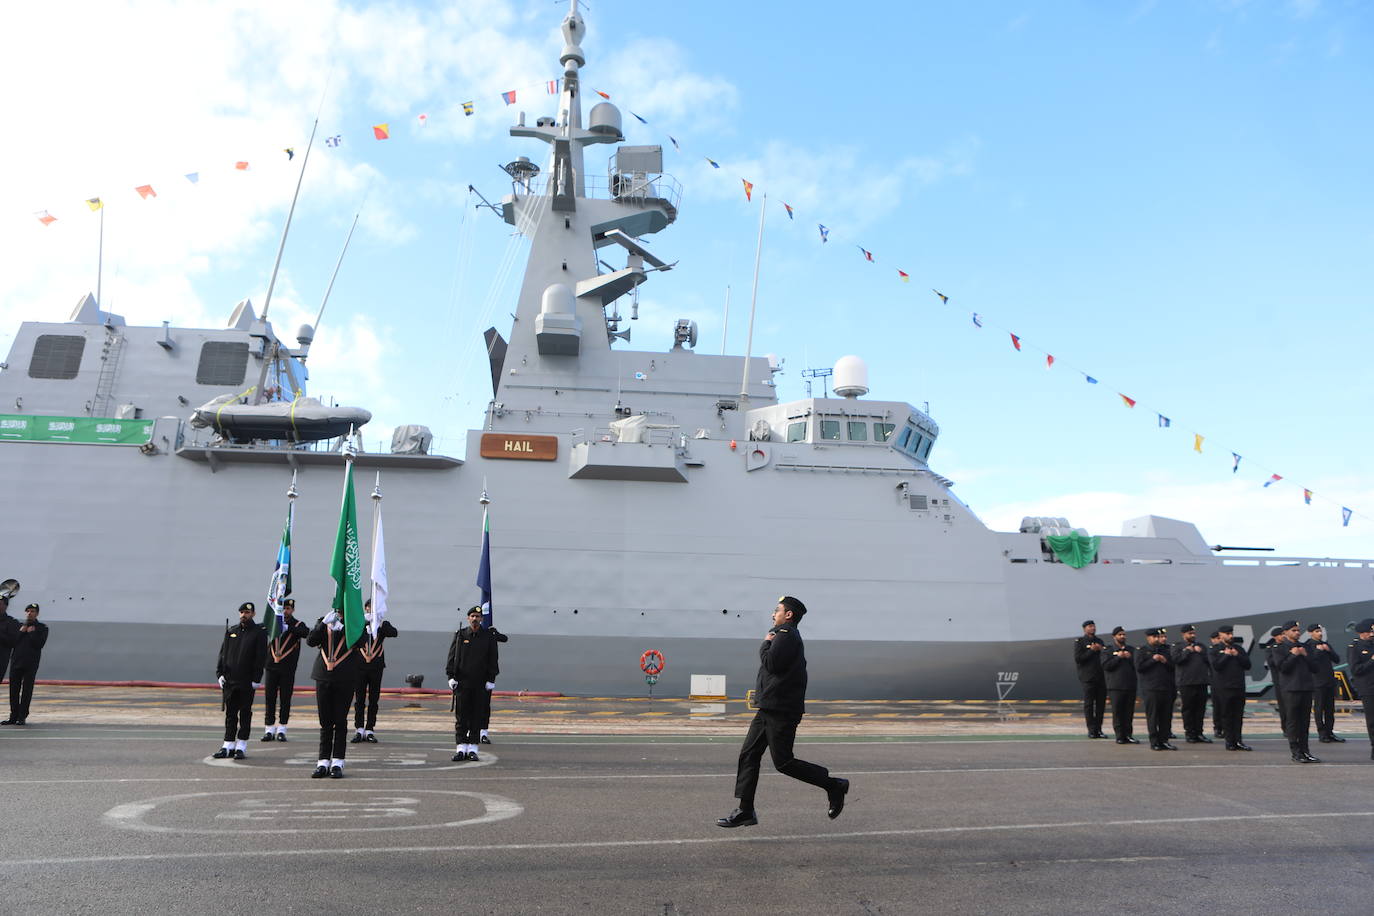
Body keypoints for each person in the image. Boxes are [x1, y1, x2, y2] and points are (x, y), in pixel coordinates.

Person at [717, 596, 849, 828]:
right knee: (748, 755)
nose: (772, 614)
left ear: (788, 615)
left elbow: (772, 664)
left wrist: (765, 643)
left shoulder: (786, 635)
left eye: (777, 610)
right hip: (769, 708)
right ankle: (745, 810)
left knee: (784, 762)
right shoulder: (783, 635)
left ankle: (833, 785)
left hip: (781, 711)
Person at [307, 609, 364, 778]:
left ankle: (337, 762)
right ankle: (323, 762)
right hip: (323, 676)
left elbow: (362, 642)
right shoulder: (323, 621)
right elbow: (311, 641)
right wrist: (324, 624)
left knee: (339, 721)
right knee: (325, 721)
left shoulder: (353, 624)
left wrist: (347, 628)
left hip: (345, 677)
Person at [213, 602, 267, 760]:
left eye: (247, 612)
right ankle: (228, 745)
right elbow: (223, 654)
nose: (244, 615)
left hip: (247, 680)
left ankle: (241, 745)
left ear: (253, 614)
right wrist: (220, 673)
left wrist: (257, 678)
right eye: (242, 612)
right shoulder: (232, 631)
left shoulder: (259, 632)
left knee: (244, 713)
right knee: (230, 714)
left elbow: (260, 656)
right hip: (230, 680)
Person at [446, 606, 499, 761]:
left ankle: (473, 749)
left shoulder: (488, 637)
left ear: (481, 619)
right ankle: (461, 748)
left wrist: (491, 679)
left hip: (480, 683)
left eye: (477, 616)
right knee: (461, 717)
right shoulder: (461, 635)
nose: (475, 618)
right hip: (462, 682)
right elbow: (452, 657)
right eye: (472, 616)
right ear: (468, 618)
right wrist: (450, 676)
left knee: (476, 717)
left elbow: (492, 659)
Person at [261, 598, 311, 742]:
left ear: (292, 610)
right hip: (271, 666)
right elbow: (260, 629)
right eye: (283, 608)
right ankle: (269, 728)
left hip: (287, 669)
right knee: (270, 698)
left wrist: (289, 628)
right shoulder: (272, 623)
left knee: (285, 698)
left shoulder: (297, 624)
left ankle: (282, 728)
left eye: (288, 609)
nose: (285, 611)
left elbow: (306, 633)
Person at [351, 599, 399, 744]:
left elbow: (394, 633)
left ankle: (370, 729)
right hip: (359, 666)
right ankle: (359, 729)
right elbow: (352, 640)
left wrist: (378, 624)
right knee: (359, 699)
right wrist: (364, 624)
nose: (372, 610)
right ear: (365, 608)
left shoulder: (382, 624)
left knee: (373, 700)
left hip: (376, 667)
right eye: (370, 607)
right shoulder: (359, 623)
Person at [1271, 620, 1319, 763]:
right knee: (1293, 721)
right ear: (1285, 633)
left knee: (1304, 722)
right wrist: (1293, 655)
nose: (1297, 632)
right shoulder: (1279, 648)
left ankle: (1306, 751)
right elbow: (1282, 668)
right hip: (1291, 689)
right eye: (1293, 630)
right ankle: (1296, 752)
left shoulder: (1305, 647)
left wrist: (1305, 655)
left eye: (1298, 630)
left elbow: (1315, 668)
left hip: (1306, 688)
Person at [2, 603, 48, 726]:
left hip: (30, 664)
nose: (29, 613)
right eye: (27, 611)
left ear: (37, 613)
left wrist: (32, 633)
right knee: (13, 691)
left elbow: (39, 644)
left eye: (32, 611)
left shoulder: (42, 628)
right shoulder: (20, 627)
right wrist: (22, 632)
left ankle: (22, 716)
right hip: (16, 662)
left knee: (27, 691)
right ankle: (13, 716)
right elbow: (12, 642)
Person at [1208, 625, 1252, 751]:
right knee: (1227, 715)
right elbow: (1216, 666)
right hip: (1223, 688)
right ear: (1221, 635)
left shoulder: (1238, 648)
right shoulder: (1214, 650)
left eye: (1231, 633)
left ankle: (1238, 740)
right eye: (1227, 634)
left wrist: (1237, 655)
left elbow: (1247, 665)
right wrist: (1226, 655)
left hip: (1238, 686)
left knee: (1238, 715)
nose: (1230, 636)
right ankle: (1229, 742)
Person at [1135, 628, 1176, 750]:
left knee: (1166, 716)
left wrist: (1164, 661)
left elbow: (1174, 666)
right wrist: (1152, 660)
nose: (1157, 639)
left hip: (1166, 687)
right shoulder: (1142, 651)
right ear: (1148, 638)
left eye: (1158, 637)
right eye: (1154, 637)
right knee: (1153, 716)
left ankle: (1164, 740)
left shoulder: (1166, 650)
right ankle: (1154, 742)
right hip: (1151, 688)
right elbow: (1139, 667)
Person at [1172, 624, 1212, 744]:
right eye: (1190, 633)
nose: (1192, 635)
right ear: (1184, 635)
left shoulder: (1201, 646)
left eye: (1193, 633)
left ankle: (1199, 733)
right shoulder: (1177, 647)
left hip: (1201, 682)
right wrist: (1187, 651)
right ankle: (1190, 733)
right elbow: (1176, 660)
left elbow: (1209, 660)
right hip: (1186, 683)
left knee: (1200, 709)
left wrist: (1201, 653)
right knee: (1188, 709)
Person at [1305, 623, 1343, 744]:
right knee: (1319, 708)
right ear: (1310, 633)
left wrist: (1328, 650)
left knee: (1330, 709)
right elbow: (1308, 661)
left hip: (1329, 681)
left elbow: (1337, 659)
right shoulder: (1308, 646)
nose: (1320, 633)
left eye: (1320, 631)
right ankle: (1322, 733)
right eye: (1316, 631)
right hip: (1317, 682)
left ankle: (1330, 732)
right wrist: (1318, 651)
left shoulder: (1326, 644)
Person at [1100, 626, 1138, 744]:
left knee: (1128, 712)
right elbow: (1106, 665)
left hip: (1130, 685)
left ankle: (1128, 735)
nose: (1122, 637)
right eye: (1120, 635)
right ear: (1114, 636)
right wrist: (1118, 657)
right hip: (1115, 686)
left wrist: (1130, 658)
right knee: (1118, 712)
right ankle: (1120, 736)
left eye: (1124, 634)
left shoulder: (1131, 650)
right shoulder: (1108, 650)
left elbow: (1138, 665)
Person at [1072, 620, 1108, 739]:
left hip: (1100, 677)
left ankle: (1099, 729)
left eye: (1093, 626)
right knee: (1089, 705)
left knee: (1100, 705)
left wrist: (1100, 649)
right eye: (1090, 626)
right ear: (1084, 629)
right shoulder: (1080, 642)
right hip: (1088, 678)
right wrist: (1091, 650)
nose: (1093, 628)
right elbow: (1078, 658)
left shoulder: (1100, 641)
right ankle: (1091, 730)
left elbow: (1105, 657)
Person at [1346, 618, 1374, 761]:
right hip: (1368, 688)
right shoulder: (1354, 647)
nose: (1371, 634)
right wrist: (1372, 660)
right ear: (1361, 633)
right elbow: (1356, 669)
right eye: (1369, 631)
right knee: (1372, 720)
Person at [479, 625, 509, 744]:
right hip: (472, 675)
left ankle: (483, 733)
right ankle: (470, 731)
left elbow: (504, 638)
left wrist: (494, 632)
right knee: (470, 706)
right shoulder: (469, 635)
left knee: (485, 706)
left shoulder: (491, 634)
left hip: (487, 676)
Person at [1263, 625, 1289, 735]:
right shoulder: (1271, 649)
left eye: (1284, 634)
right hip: (1279, 680)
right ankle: (1285, 727)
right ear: (1275, 637)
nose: (1283, 636)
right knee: (1283, 705)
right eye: (1281, 635)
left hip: (1290, 679)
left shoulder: (1288, 646)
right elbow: (1272, 664)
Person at [1209, 630, 1226, 739]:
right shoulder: (1212, 651)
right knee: (1218, 706)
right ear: (1213, 640)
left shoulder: (1228, 649)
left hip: (1227, 682)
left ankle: (1226, 728)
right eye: (1217, 639)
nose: (1219, 641)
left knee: (1227, 707)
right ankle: (1218, 728)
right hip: (1216, 682)